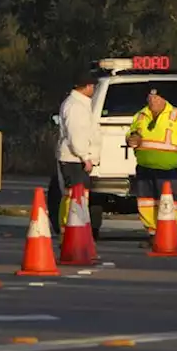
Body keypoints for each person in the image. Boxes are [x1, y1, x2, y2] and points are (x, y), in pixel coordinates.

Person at [126, 85, 177, 235]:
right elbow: (131, 132)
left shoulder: (176, 115)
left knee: (169, 202)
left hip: (167, 168)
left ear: (164, 99)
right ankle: (152, 232)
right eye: (150, 97)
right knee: (146, 202)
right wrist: (131, 139)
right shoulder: (140, 115)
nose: (153, 100)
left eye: (156, 97)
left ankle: (170, 233)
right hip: (144, 166)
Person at [56, 69, 101, 231]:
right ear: (87, 86)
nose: (94, 90)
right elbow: (76, 134)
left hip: (75, 158)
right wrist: (85, 157)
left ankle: (74, 228)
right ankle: (70, 229)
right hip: (74, 159)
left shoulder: (78, 104)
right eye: (93, 87)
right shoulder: (76, 106)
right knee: (74, 196)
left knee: (77, 196)